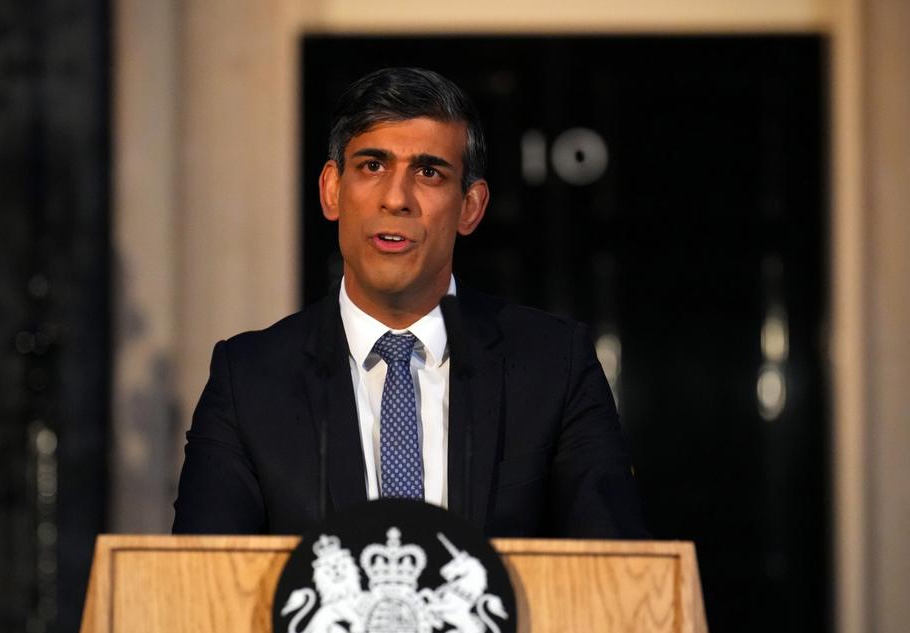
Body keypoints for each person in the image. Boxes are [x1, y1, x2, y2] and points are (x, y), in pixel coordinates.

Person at [173, 67, 645, 538]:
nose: (396, 198)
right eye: (372, 166)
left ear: (470, 207)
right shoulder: (249, 378)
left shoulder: (554, 365)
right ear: (332, 190)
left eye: (428, 172)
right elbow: (202, 583)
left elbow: (615, 573)